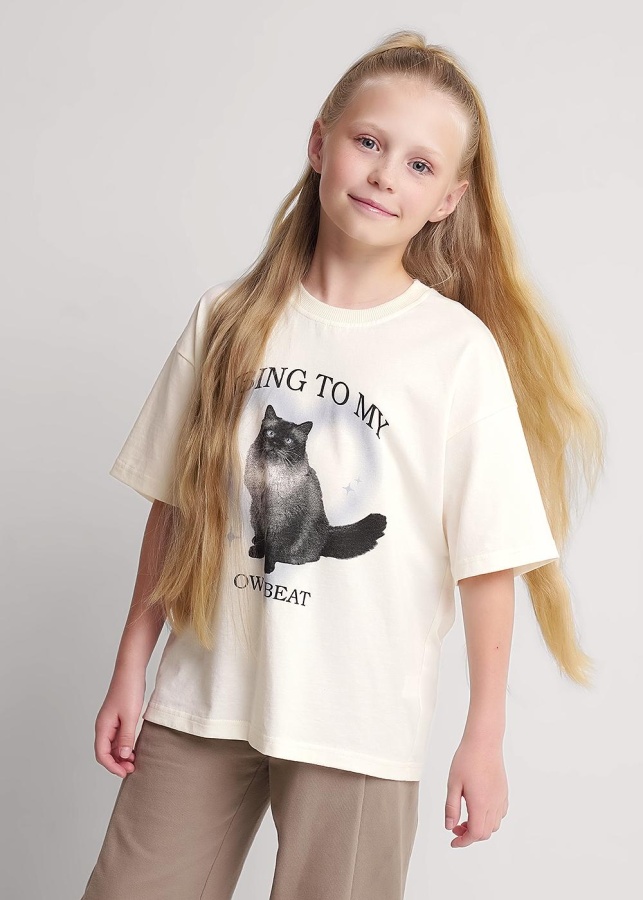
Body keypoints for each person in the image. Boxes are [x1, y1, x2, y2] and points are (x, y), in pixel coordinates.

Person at [80, 29, 605, 900]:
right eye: (368, 142)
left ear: (447, 199)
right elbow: (175, 507)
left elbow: (488, 560)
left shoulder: (455, 352)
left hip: (356, 723)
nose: (384, 174)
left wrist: (484, 735)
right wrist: (131, 663)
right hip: (202, 698)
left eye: (418, 164)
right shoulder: (225, 319)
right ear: (320, 142)